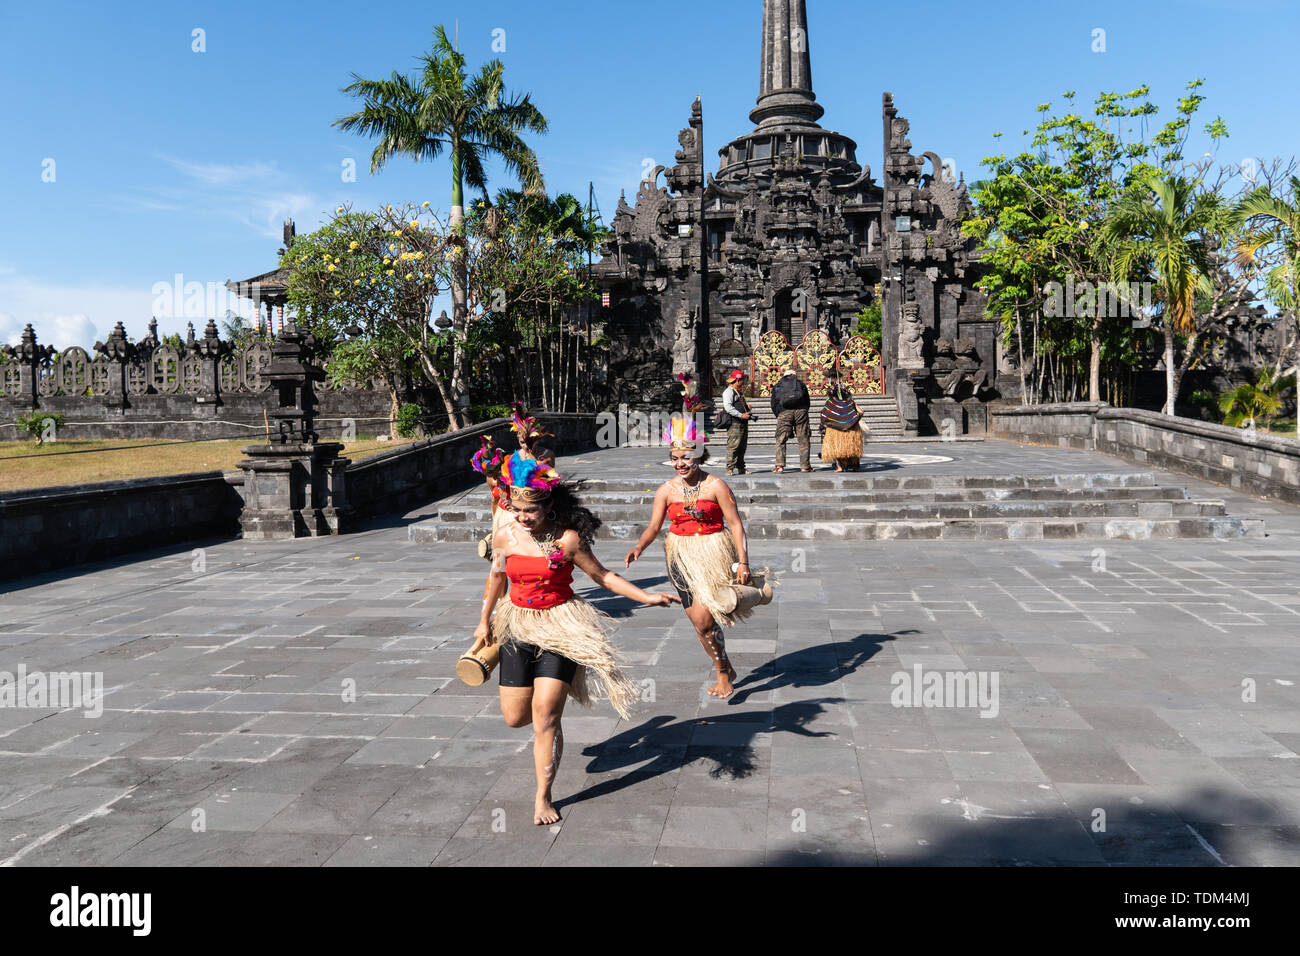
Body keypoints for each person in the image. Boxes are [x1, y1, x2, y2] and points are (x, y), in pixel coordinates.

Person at [475, 455, 680, 824]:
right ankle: (548, 724)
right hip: (517, 625)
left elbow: (603, 576)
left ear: (549, 505)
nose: (522, 516)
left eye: (530, 511)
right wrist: (483, 620)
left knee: (545, 715)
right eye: (517, 509)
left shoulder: (568, 540)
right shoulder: (505, 535)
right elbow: (496, 579)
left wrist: (646, 596)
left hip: (562, 627)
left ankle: (542, 796)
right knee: (515, 717)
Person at [623, 419, 756, 699]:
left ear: (699, 456)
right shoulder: (666, 490)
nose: (680, 463)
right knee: (699, 621)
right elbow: (653, 526)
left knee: (707, 618)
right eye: (674, 458)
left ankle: (721, 673)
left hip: (713, 553)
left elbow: (736, 524)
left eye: (686, 457)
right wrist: (640, 547)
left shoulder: (716, 486)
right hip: (680, 556)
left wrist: (743, 562)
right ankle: (724, 665)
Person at [819, 370, 864, 472]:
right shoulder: (848, 395)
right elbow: (859, 411)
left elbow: (826, 410)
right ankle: (855, 466)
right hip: (851, 425)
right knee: (852, 446)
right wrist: (855, 418)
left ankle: (839, 467)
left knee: (836, 446)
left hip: (835, 427)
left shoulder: (831, 395)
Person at [770, 367, 812, 473]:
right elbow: (807, 401)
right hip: (801, 412)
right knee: (803, 439)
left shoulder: (778, 386)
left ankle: (779, 466)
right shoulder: (801, 385)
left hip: (784, 413)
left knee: (781, 439)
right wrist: (804, 411)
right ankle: (805, 466)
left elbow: (774, 403)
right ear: (794, 376)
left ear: (784, 376)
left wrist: (779, 415)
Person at [720, 369, 752, 476]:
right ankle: (730, 468)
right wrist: (741, 415)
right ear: (737, 380)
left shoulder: (738, 391)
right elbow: (728, 407)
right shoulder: (728, 392)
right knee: (733, 446)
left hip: (743, 423)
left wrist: (746, 408)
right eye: (742, 380)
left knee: (742, 447)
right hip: (735, 423)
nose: (743, 382)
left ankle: (741, 468)